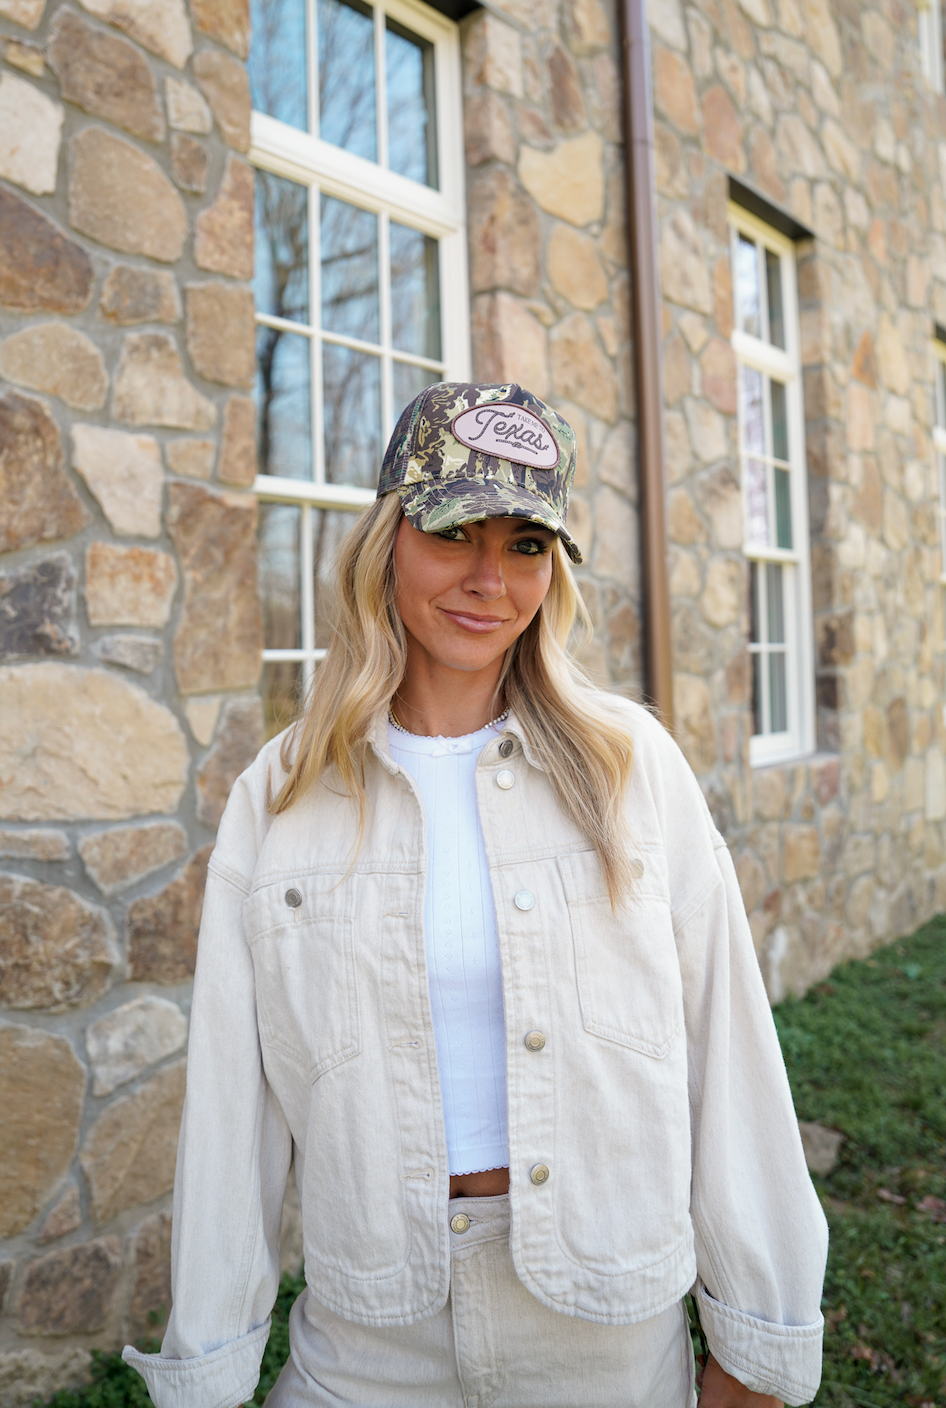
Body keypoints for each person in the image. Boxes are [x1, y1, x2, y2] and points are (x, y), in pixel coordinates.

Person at [124, 382, 828, 1408]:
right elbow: (232, 1113)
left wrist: (756, 1347)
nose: (488, 579)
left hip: (603, 1324)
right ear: (389, 539)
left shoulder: (632, 768)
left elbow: (726, 1052)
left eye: (526, 545)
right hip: (369, 1339)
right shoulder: (281, 796)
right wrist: (210, 1369)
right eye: (454, 530)